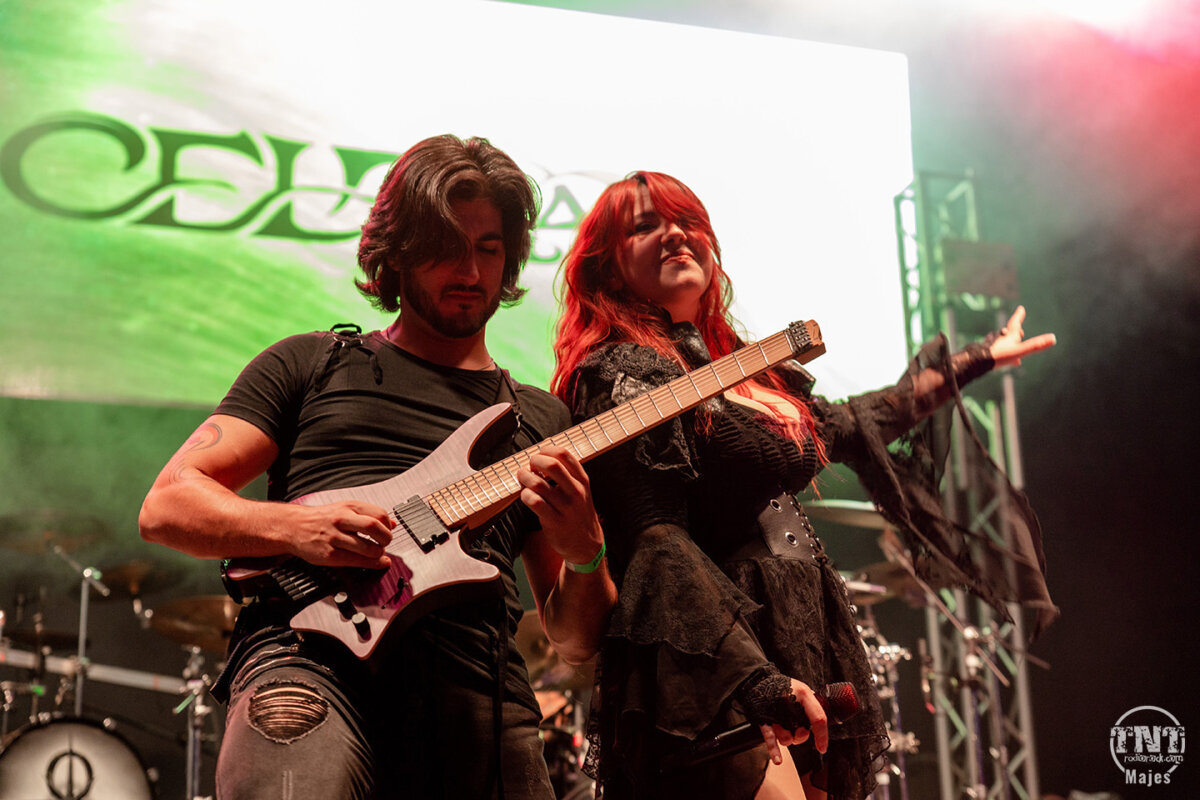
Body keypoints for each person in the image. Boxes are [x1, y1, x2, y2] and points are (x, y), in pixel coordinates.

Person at [550, 171, 1057, 800]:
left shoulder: (737, 368)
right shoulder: (622, 371)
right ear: (607, 264)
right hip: (710, 656)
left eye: (688, 221)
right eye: (645, 225)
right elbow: (657, 542)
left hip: (798, 630)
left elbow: (852, 422)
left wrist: (973, 360)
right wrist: (752, 680)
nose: (675, 234)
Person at [139, 134, 617, 799]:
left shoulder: (538, 418)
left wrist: (587, 553)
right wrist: (296, 529)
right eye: (447, 246)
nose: (470, 271)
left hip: (481, 703)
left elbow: (574, 640)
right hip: (309, 662)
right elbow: (167, 505)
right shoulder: (311, 364)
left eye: (488, 249)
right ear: (398, 251)